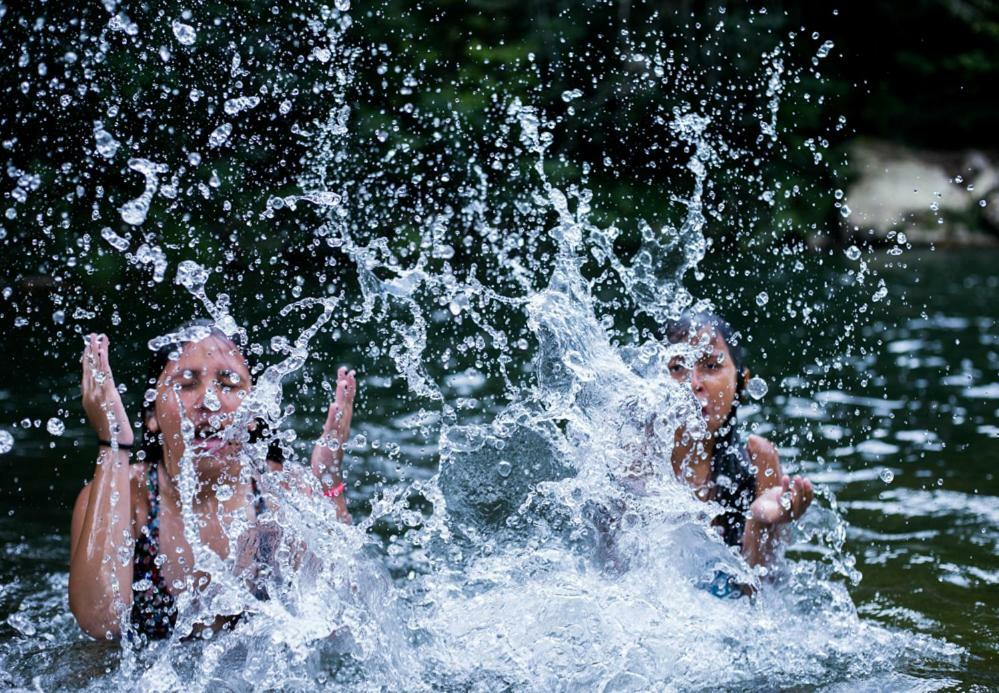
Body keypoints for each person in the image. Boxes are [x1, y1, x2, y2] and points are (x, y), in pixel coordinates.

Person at [69, 323, 356, 640]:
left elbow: (341, 613)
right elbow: (102, 622)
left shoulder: (281, 492)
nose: (210, 402)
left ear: (252, 416)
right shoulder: (125, 496)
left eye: (229, 384)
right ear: (151, 415)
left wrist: (329, 483)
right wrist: (113, 443)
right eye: (187, 384)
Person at [661, 310, 813, 573]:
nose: (694, 383)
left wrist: (759, 522)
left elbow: (760, 597)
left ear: (741, 382)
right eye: (677, 367)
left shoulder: (757, 461)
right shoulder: (633, 460)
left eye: (710, 365)